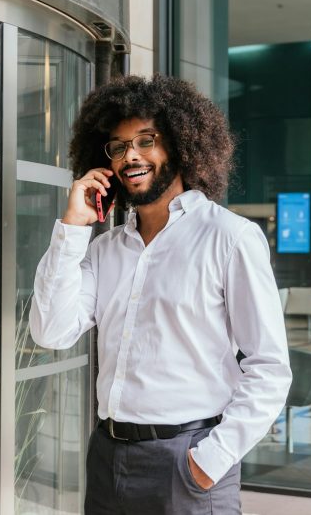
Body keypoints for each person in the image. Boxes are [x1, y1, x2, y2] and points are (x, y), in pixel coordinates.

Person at [29, 75, 292, 514]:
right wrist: (72, 227)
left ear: (181, 143)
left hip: (187, 462)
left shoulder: (230, 238)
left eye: (146, 140)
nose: (131, 155)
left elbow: (269, 368)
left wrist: (210, 460)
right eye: (118, 146)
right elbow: (50, 332)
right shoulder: (103, 250)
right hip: (107, 456)